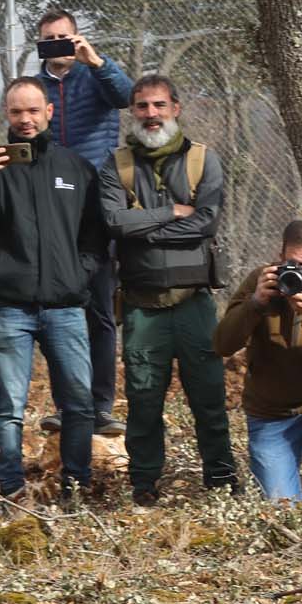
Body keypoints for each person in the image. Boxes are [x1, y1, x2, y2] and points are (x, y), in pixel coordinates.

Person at [0, 76, 105, 501]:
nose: (25, 119)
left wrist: (79, 273)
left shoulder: (76, 168)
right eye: (16, 111)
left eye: (32, 110)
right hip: (10, 308)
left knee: (78, 402)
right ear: (7, 114)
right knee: (10, 406)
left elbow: (95, 234)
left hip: (66, 306)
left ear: (49, 112)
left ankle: (75, 488)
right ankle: (11, 490)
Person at [99, 75, 237, 505]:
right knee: (143, 402)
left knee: (210, 398)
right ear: (132, 111)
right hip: (142, 307)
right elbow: (113, 222)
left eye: (159, 105)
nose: (151, 114)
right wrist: (171, 213)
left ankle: (221, 481)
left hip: (194, 303)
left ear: (176, 108)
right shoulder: (116, 165)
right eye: (142, 106)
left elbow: (206, 222)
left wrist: (144, 229)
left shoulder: (203, 159)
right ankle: (144, 486)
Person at [33, 7, 134, 438]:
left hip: (97, 204)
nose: (57, 45)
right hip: (53, 208)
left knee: (100, 310)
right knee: (58, 311)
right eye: (48, 39)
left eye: (64, 37)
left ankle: (102, 406)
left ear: (76, 38)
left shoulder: (96, 75)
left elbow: (126, 96)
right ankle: (67, 404)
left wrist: (95, 61)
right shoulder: (35, 88)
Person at [213, 221, 302, 501]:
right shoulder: (262, 281)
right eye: (293, 264)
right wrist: (254, 304)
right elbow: (222, 345)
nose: (301, 274)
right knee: (279, 506)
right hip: (275, 411)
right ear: (280, 257)